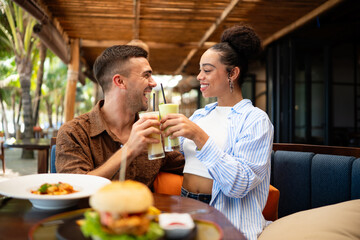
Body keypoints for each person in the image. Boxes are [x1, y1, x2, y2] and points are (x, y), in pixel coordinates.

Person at [160, 24, 274, 239]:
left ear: (232, 73)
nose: (199, 76)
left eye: (207, 70)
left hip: (226, 213)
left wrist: (198, 136)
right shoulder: (200, 115)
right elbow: (184, 160)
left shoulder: (256, 120)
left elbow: (239, 185)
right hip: (185, 204)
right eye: (200, 69)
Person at [56, 45, 184, 188]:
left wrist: (195, 135)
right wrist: (129, 150)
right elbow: (73, 188)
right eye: (146, 75)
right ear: (120, 82)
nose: (153, 83)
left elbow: (189, 167)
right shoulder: (74, 133)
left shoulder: (153, 131)